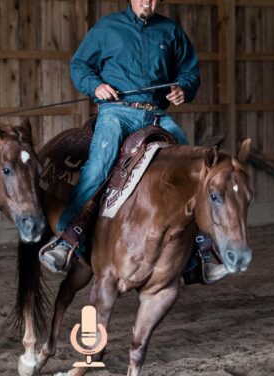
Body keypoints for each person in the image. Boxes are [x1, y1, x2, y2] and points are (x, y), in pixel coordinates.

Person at [39, 0, 226, 284]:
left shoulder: (171, 31)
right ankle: (67, 238)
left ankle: (201, 252)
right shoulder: (107, 28)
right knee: (101, 162)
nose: (147, 3)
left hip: (156, 115)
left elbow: (189, 72)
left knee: (197, 167)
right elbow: (80, 65)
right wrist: (96, 86)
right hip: (117, 112)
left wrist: (182, 89)